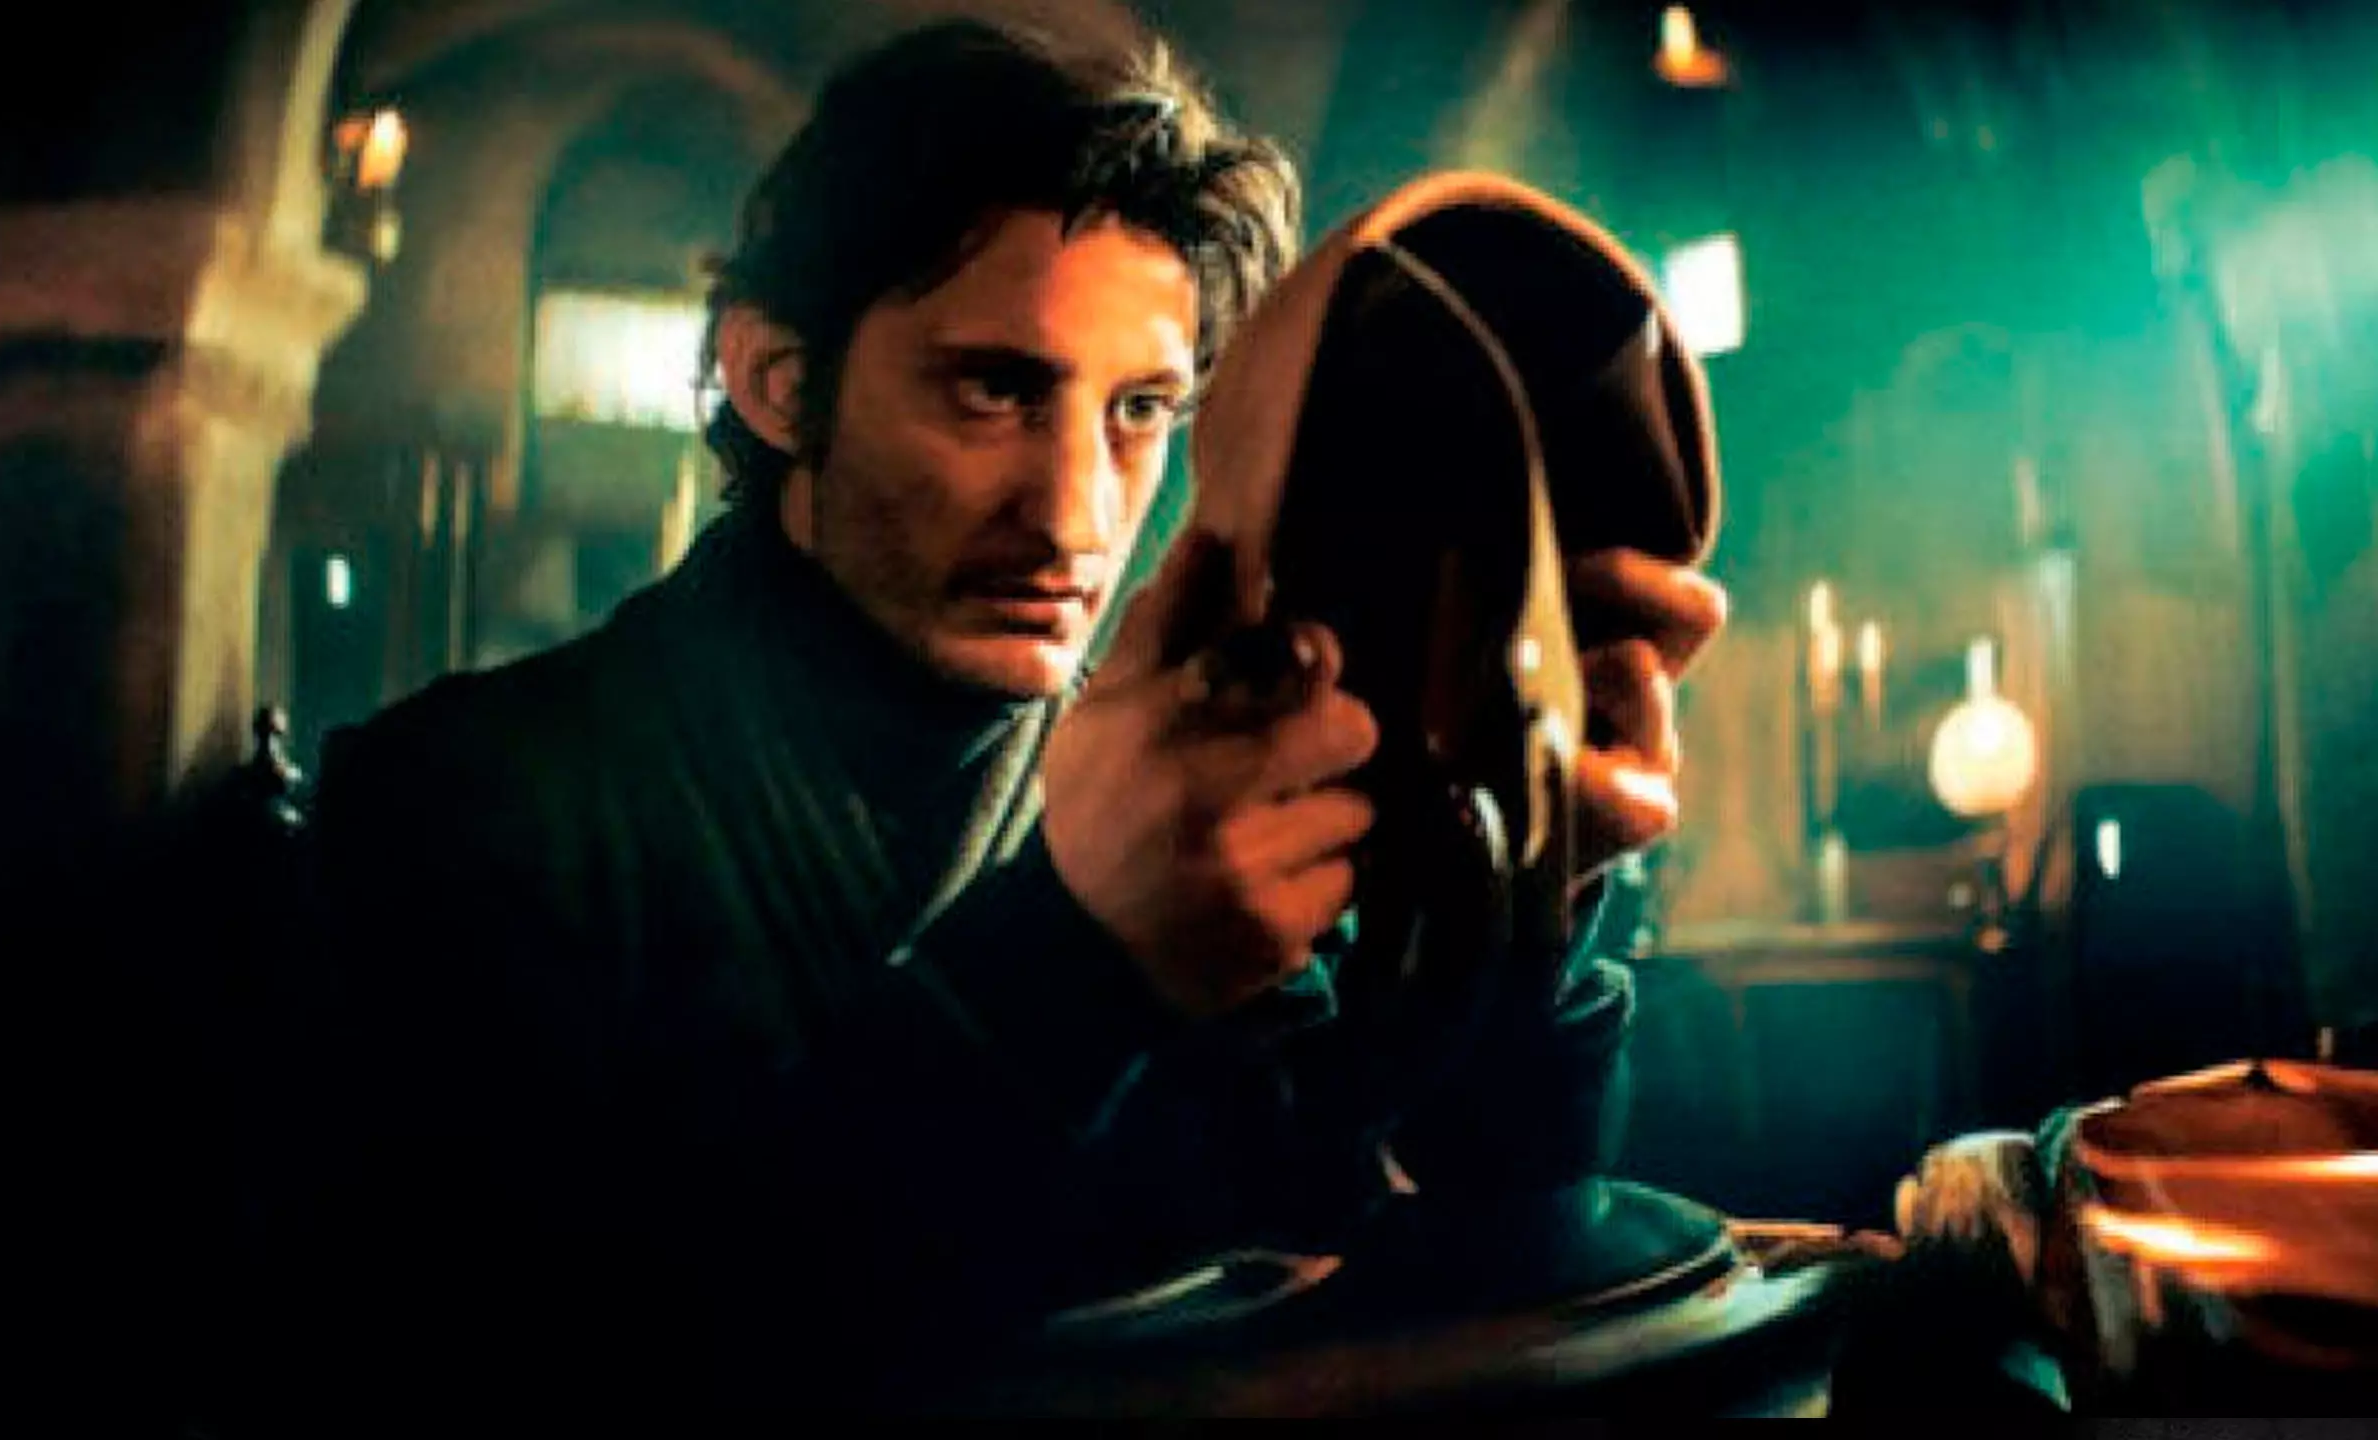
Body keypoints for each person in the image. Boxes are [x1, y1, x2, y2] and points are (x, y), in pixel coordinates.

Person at [261, 13, 1729, 1418]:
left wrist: (1536, 887)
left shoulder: (1202, 778)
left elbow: (1421, 1219)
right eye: (993, 392)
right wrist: (1076, 962)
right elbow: (563, 1359)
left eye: (1140, 412)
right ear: (778, 382)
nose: (1076, 516)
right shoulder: (462, 801)